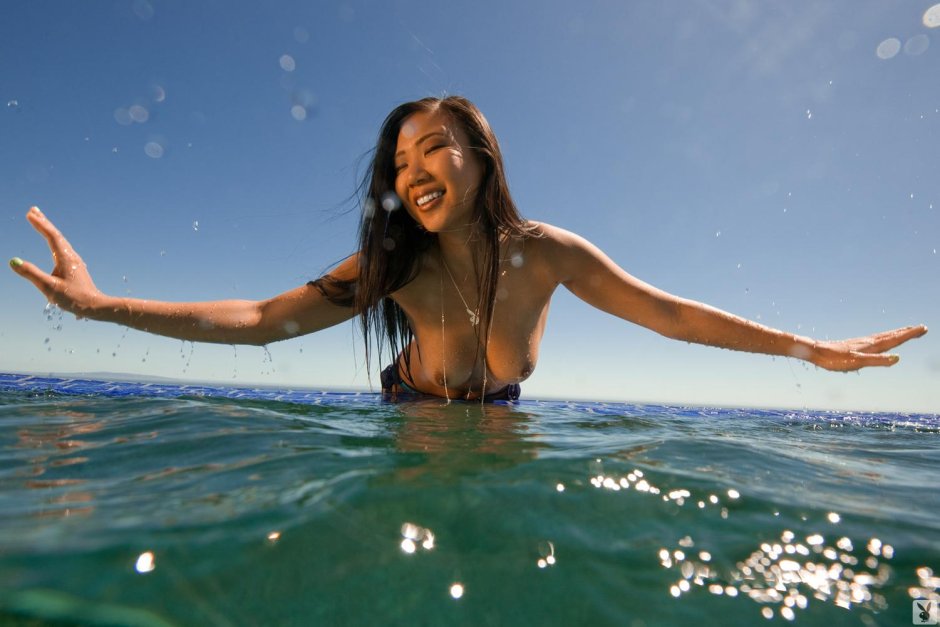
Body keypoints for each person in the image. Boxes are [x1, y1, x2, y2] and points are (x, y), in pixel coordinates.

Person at [8, 96, 928, 402]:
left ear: (482, 158)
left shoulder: (550, 253)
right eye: (400, 161)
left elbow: (674, 316)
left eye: (434, 148)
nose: (414, 172)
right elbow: (257, 321)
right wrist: (98, 307)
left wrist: (808, 347)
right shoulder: (392, 265)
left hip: (500, 408)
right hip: (412, 403)